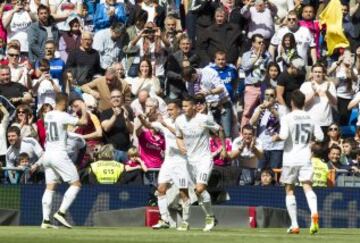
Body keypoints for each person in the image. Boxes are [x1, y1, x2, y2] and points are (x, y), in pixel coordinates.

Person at [31, 93, 87, 229]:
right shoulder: (63, 116)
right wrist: (84, 108)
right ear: (64, 102)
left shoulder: (47, 115)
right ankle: (61, 213)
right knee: (76, 184)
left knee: (50, 187)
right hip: (59, 154)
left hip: (47, 154)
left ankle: (45, 221)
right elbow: (84, 122)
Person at [272, 90, 323, 234]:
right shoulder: (311, 117)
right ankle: (314, 212)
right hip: (306, 157)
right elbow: (320, 136)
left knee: (289, 190)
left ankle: (295, 225)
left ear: (292, 102)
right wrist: (310, 141)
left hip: (290, 158)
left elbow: (283, 135)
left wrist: (275, 138)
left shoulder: (287, 117)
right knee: (308, 187)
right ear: (303, 102)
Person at [175, 96, 220, 231]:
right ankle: (203, 218)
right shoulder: (179, 120)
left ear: (194, 106)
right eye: (183, 106)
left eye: (187, 106)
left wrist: (222, 147)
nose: (184, 109)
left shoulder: (204, 119)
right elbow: (178, 136)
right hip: (189, 161)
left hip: (204, 159)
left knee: (199, 189)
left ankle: (210, 217)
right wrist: (181, 146)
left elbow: (219, 130)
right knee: (191, 192)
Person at [146, 99, 191, 231]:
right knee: (161, 189)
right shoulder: (166, 121)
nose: (169, 112)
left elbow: (181, 135)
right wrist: (141, 118)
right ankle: (164, 219)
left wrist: (164, 124)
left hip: (182, 161)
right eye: (168, 109)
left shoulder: (185, 122)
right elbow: (149, 126)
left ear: (178, 110)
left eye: (171, 109)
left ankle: (185, 222)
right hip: (168, 161)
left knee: (183, 192)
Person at [250, 87, 286, 169]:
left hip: (277, 147)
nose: (268, 97)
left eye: (271, 95)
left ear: (275, 97)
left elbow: (283, 120)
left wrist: (271, 109)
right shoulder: (259, 108)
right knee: (259, 173)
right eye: (266, 95)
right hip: (263, 146)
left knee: (274, 174)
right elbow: (252, 122)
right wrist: (260, 109)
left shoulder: (282, 109)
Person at [241, 33, 271, 128]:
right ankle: (243, 134)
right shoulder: (246, 55)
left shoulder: (267, 56)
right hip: (251, 87)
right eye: (259, 42)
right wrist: (256, 57)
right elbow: (245, 67)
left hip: (263, 87)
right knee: (247, 112)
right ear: (253, 44)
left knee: (265, 112)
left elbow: (272, 69)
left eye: (263, 42)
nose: (262, 44)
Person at [300, 63, 337, 132]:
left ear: (323, 73)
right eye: (315, 72)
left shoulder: (330, 84)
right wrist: (313, 92)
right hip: (309, 123)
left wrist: (327, 92)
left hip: (326, 123)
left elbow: (335, 102)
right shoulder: (305, 85)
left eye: (319, 72)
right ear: (312, 73)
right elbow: (302, 103)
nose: (317, 74)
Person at [100, 89, 134, 163]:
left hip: (125, 150)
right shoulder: (105, 113)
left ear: (122, 98)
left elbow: (131, 130)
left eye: (118, 97)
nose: (116, 99)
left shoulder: (127, 112)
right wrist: (115, 115)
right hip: (110, 152)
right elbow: (106, 128)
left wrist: (127, 119)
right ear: (110, 100)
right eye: (113, 97)